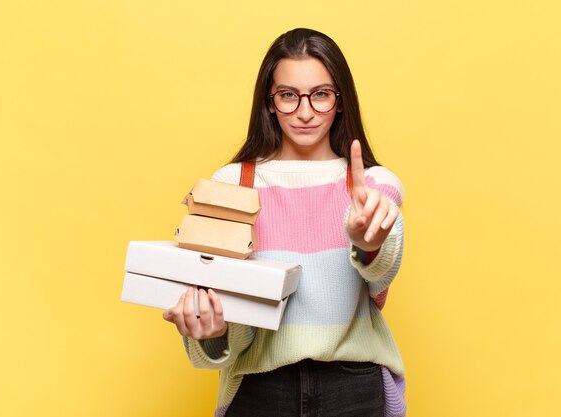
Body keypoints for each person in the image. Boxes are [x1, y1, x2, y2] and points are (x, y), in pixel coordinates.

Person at [163, 28, 406, 417]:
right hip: (260, 389)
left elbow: (381, 277)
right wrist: (214, 332)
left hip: (353, 387)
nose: (305, 112)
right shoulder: (231, 186)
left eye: (321, 95)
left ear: (341, 101)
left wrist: (367, 242)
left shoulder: (374, 185)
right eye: (289, 96)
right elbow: (221, 320)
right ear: (270, 103)